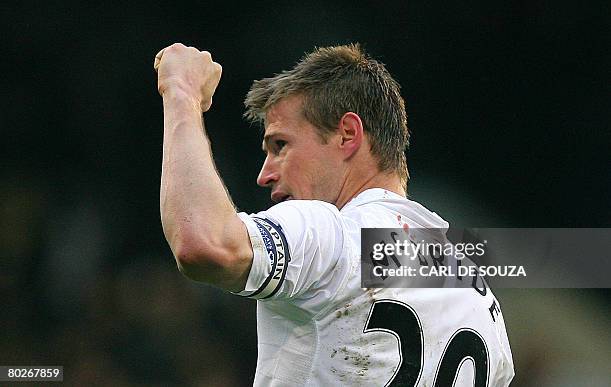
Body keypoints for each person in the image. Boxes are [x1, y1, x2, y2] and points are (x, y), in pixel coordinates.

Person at [154, 43, 514, 386]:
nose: (265, 174)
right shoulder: (479, 300)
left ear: (347, 134)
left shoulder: (335, 233)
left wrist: (181, 92)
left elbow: (203, 243)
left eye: (280, 145)